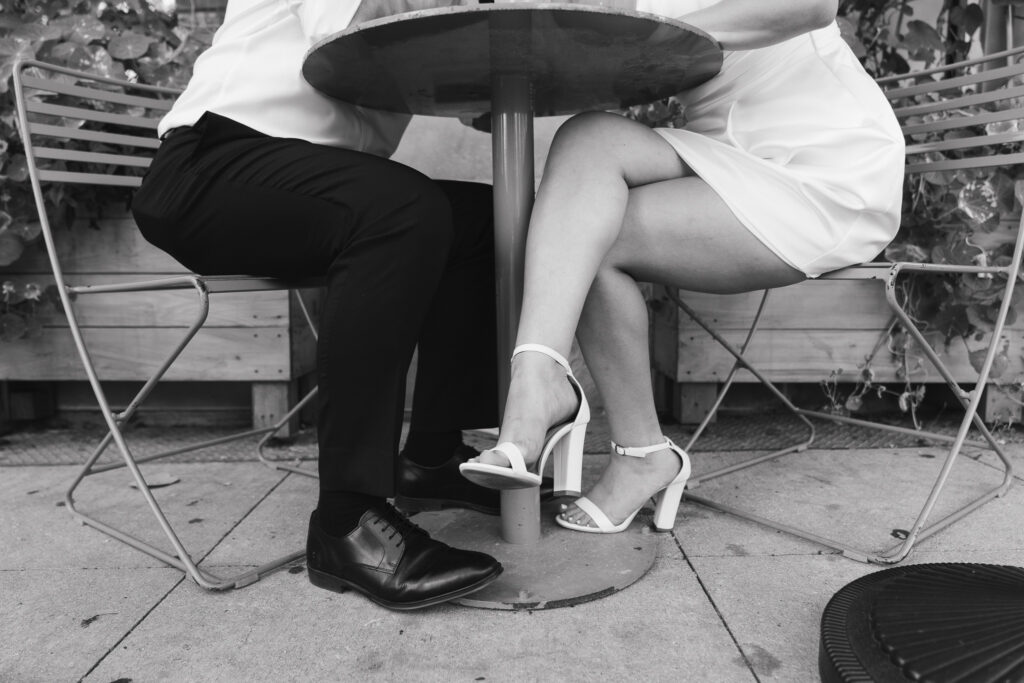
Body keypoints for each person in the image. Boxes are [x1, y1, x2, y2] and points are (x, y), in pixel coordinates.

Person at [460, 0, 905, 533]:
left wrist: (659, 33)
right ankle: (555, 391)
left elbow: (813, 6)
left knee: (584, 230)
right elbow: (621, 61)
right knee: (585, 163)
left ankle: (565, 413)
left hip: (827, 166)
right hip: (732, 155)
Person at [131, 0, 509, 610]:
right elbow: (368, 20)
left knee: (488, 221)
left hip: (317, 188)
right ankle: (345, 521)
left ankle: (432, 459)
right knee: (401, 210)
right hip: (212, 166)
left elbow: (452, 88)